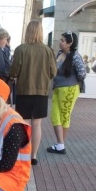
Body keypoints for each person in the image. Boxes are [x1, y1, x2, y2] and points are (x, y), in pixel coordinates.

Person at [9, 20, 57, 165]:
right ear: (41, 32)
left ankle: (22, 154)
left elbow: (14, 71)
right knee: (37, 124)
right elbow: (53, 71)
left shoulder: (20, 49)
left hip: (24, 91)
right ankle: (33, 155)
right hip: (41, 92)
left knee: (24, 123)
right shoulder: (48, 50)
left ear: (27, 31)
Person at [47, 31, 87, 154]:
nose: (60, 42)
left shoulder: (75, 56)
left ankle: (60, 145)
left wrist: (72, 81)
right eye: (60, 39)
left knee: (64, 116)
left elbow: (82, 73)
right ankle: (60, 144)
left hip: (69, 89)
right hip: (58, 88)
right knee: (55, 115)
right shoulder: (59, 53)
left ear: (70, 43)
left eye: (63, 40)